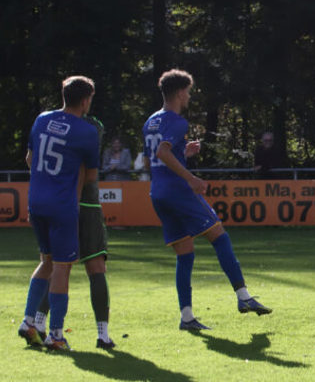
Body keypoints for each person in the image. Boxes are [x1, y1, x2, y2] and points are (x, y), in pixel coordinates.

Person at [143, 69, 271, 331]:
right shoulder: (177, 121)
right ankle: (244, 297)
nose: (189, 96)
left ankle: (187, 316)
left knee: (185, 254)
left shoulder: (150, 122)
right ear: (180, 92)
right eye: (188, 91)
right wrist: (190, 178)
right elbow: (163, 153)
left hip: (158, 192)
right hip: (179, 191)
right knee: (219, 235)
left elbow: (152, 159)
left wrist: (183, 154)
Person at [18, 76, 100, 351]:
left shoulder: (42, 119)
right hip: (62, 205)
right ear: (86, 100)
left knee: (46, 261)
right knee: (63, 267)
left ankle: (29, 321)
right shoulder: (87, 131)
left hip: (36, 201)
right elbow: (90, 176)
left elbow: (30, 159)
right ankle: (55, 334)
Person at [34, 115, 116, 349]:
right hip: (84, 207)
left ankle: (37, 323)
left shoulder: (51, 128)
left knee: (58, 268)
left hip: (58, 205)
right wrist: (76, 200)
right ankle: (103, 334)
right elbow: (83, 170)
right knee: (95, 268)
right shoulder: (89, 133)